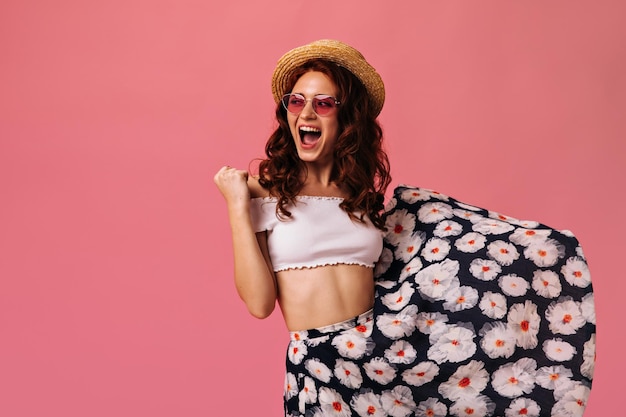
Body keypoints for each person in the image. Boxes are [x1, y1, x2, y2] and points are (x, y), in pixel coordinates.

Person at [215, 39, 596, 417]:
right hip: (319, 369)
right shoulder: (267, 189)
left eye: (324, 103)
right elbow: (260, 304)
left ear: (346, 118)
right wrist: (236, 205)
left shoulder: (357, 193)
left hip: (379, 360)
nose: (307, 113)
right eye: (296, 102)